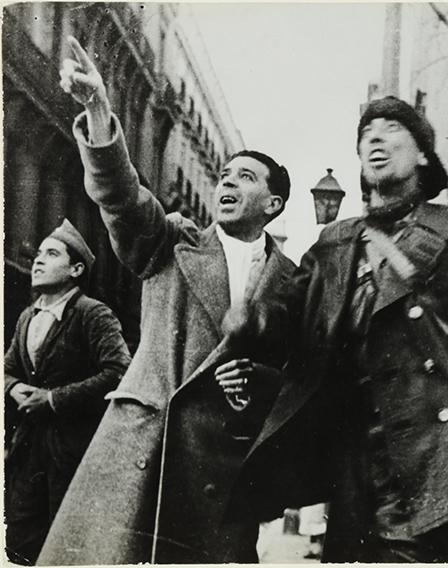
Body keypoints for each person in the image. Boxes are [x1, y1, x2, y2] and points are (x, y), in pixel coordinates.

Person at [228, 96, 448, 563]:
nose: (375, 138)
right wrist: (254, 319)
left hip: (441, 468)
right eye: (367, 133)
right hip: (355, 472)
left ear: (424, 154)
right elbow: (288, 317)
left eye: (391, 128)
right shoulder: (335, 242)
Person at [37, 37, 296, 564]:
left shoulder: (294, 280)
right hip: (144, 453)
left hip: (222, 474)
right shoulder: (174, 241)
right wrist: (100, 112)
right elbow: (122, 199)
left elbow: (301, 374)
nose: (226, 181)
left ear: (273, 205)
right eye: (224, 173)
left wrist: (261, 383)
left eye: (244, 177)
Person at [4, 219, 131, 565]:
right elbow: (7, 369)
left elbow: (120, 372)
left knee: (70, 551)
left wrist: (54, 399)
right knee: (21, 546)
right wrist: (13, 388)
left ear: (76, 269)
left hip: (75, 456)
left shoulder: (93, 314)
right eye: (39, 254)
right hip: (29, 452)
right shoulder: (28, 316)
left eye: (52, 253)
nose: (38, 260)